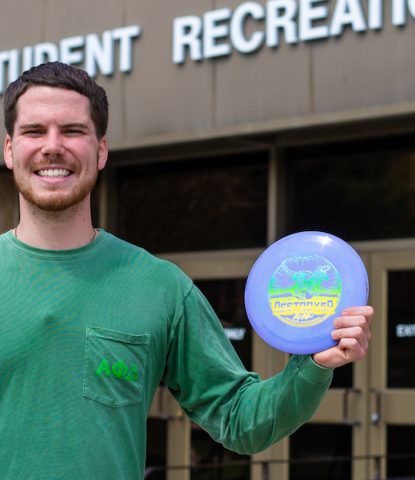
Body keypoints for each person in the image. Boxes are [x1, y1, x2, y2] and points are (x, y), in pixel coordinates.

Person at [0, 62, 374, 479]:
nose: (53, 146)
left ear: (101, 149)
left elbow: (239, 419)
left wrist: (313, 364)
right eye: (35, 131)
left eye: (72, 130)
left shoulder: (159, 287)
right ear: (9, 149)